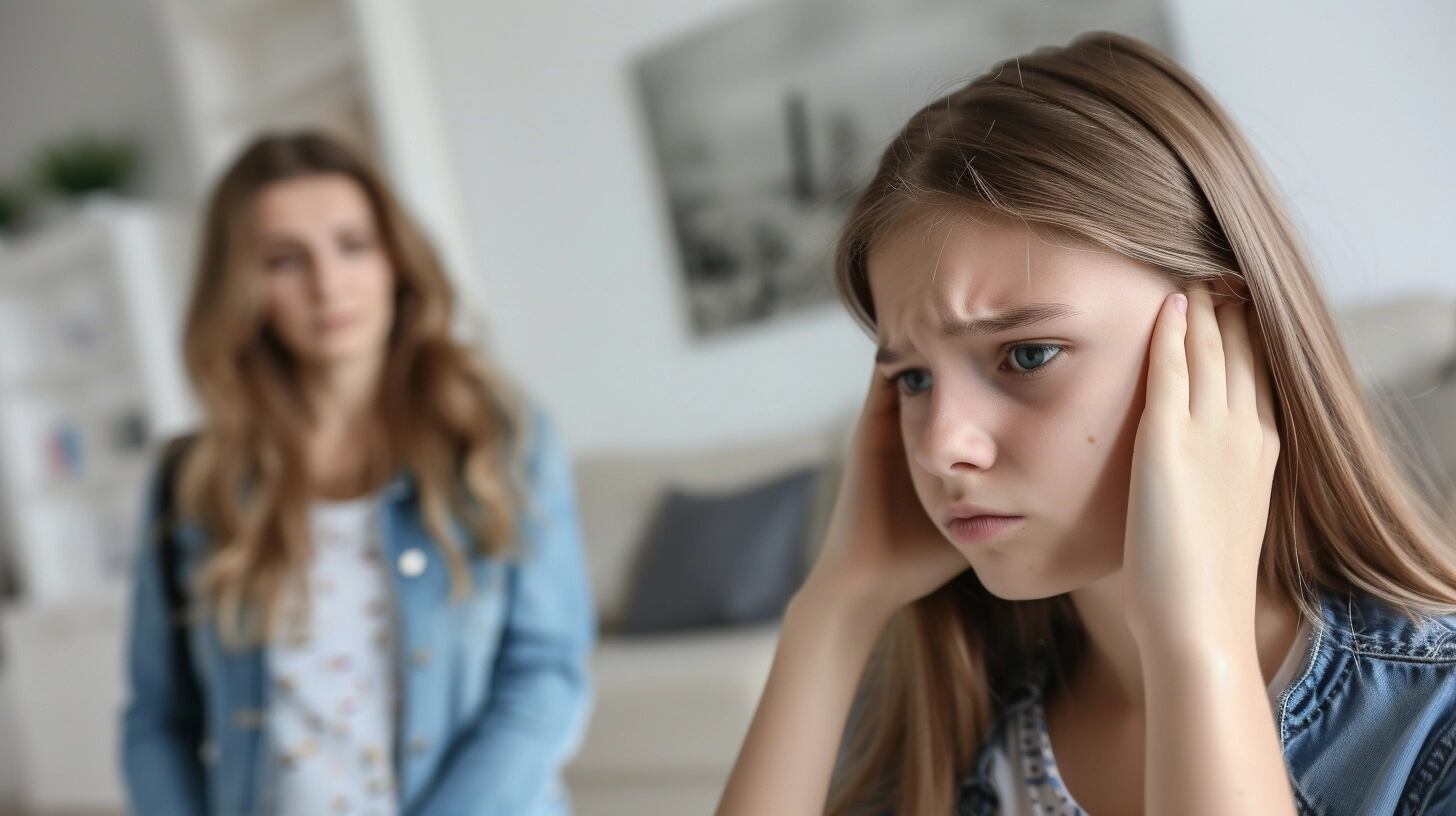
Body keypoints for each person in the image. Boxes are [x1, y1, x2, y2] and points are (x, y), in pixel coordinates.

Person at [717, 32, 1456, 815]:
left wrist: (1195, 648)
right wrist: (835, 608)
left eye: (1028, 354)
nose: (939, 445)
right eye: (913, 377)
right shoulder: (945, 719)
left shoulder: (1431, 725)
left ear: (1228, 343)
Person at [119, 131, 595, 816]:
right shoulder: (189, 481)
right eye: (285, 259)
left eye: (353, 245)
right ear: (242, 286)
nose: (327, 283)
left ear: (395, 260)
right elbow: (156, 721)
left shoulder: (501, 435)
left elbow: (546, 675)